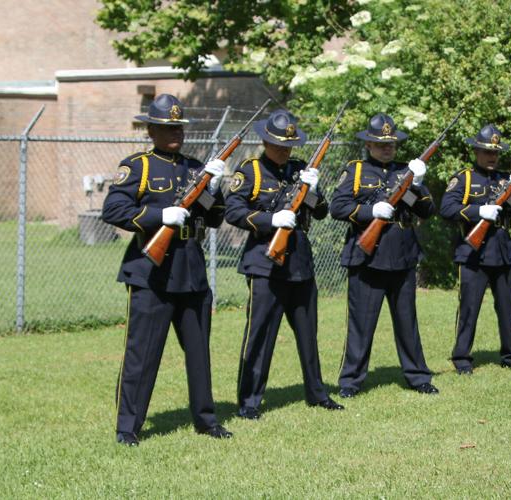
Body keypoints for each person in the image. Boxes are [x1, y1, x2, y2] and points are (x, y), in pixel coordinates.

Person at [102, 93, 231, 446]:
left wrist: (215, 190)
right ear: (150, 129)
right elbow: (113, 209)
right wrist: (160, 216)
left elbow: (215, 218)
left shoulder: (194, 167)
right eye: (166, 126)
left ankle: (206, 420)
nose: (174, 132)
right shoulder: (139, 166)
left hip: (190, 271)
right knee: (141, 354)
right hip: (151, 272)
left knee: (199, 352)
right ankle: (128, 427)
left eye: (178, 126)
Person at [224, 109, 344, 420]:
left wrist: (314, 192)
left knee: (308, 333)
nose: (284, 150)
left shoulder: (300, 170)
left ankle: (317, 393)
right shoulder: (249, 171)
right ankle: (249, 401)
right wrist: (269, 219)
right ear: (265, 141)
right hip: (264, 261)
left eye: (289, 145)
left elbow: (320, 212)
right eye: (279, 145)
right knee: (260, 334)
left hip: (299, 263)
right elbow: (233, 211)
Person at [330, 113, 438, 397]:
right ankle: (350, 381)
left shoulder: (407, 172)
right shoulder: (354, 171)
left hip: (401, 254)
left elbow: (426, 210)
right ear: (368, 144)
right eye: (380, 144)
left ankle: (418, 376)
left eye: (391, 143)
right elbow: (338, 207)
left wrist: (416, 185)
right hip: (367, 256)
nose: (387, 148)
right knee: (361, 324)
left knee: (407, 323)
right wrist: (370, 211)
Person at [439, 124, 511, 374]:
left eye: (495, 152)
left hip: (502, 252)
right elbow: (447, 208)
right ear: (476, 151)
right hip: (473, 254)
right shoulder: (464, 178)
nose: (492, 156)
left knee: (506, 308)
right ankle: (462, 358)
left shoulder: (506, 179)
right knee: (469, 308)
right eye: (486, 151)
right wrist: (478, 211)